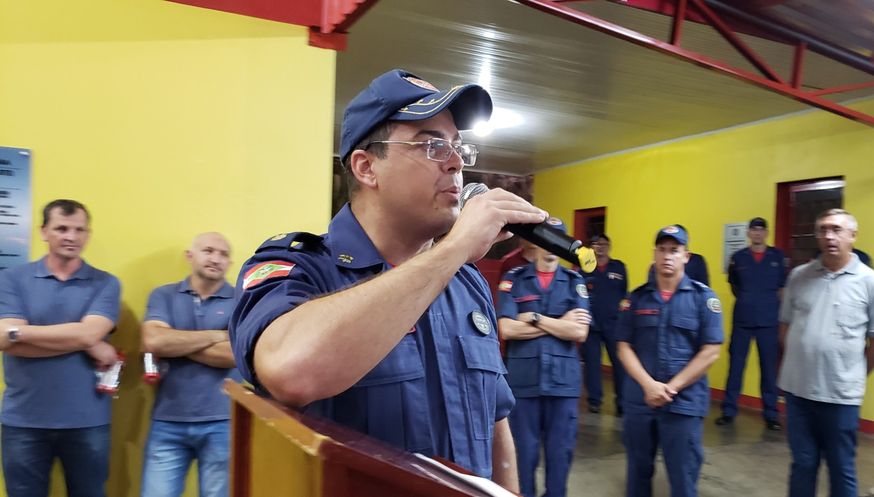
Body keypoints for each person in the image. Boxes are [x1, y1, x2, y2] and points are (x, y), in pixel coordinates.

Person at [230, 69, 546, 491]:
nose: (456, 163)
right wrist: (453, 249)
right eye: (433, 145)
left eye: (458, 147)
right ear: (366, 167)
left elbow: (494, 419)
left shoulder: (465, 281)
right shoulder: (301, 268)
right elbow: (289, 371)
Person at [0, 199, 121, 497]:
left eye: (79, 230)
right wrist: (84, 342)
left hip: (87, 420)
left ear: (87, 234)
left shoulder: (106, 283)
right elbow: (4, 341)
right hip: (24, 420)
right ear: (44, 231)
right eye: (62, 228)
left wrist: (20, 333)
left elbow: (88, 334)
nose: (71, 236)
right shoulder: (11, 279)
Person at [778, 208, 874, 497]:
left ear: (853, 235)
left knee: (841, 467)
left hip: (840, 396)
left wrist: (851, 375)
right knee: (803, 464)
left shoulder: (871, 282)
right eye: (823, 230)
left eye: (837, 229)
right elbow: (785, 327)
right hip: (798, 392)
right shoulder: (798, 277)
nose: (829, 236)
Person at [615, 225, 723, 497]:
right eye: (662, 250)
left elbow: (711, 350)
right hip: (640, 401)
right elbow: (623, 346)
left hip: (683, 404)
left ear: (686, 256)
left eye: (674, 250)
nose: (667, 256)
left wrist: (670, 388)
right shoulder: (636, 299)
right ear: (654, 254)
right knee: (637, 473)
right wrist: (648, 385)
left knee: (683, 477)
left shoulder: (703, 299)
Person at [140, 232, 239, 497]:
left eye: (223, 254)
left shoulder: (241, 300)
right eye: (208, 251)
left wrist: (176, 342)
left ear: (229, 263)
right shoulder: (163, 295)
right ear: (190, 256)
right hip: (168, 421)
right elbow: (154, 341)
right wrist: (217, 335)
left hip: (223, 421)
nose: (215, 259)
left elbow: (235, 355)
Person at [497, 218, 589, 497]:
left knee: (560, 458)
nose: (551, 246)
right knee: (522, 459)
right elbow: (506, 329)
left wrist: (535, 318)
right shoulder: (514, 279)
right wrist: (559, 325)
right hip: (524, 385)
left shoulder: (574, 282)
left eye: (558, 241)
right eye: (546, 239)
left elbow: (579, 331)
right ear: (534, 244)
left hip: (563, 386)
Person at [716, 217, 786, 430]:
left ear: (766, 233)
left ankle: (771, 415)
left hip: (769, 321)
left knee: (769, 371)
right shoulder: (738, 258)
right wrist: (749, 299)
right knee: (736, 367)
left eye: (761, 230)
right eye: (754, 230)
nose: (757, 233)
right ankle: (728, 412)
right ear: (748, 233)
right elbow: (735, 286)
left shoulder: (777, 257)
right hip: (743, 321)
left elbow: (782, 288)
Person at [579, 234, 628, 414]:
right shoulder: (583, 269)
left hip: (614, 325)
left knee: (620, 364)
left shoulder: (619, 267)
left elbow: (624, 294)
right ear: (591, 247)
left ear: (609, 246)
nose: (600, 247)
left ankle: (622, 402)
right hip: (591, 325)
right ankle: (594, 401)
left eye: (603, 244)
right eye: (596, 244)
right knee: (592, 365)